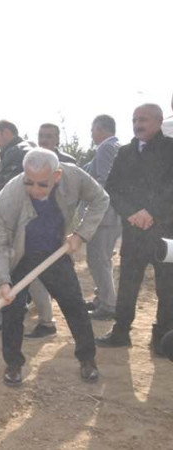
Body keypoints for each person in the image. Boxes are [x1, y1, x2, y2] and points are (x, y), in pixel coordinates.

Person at [0, 148, 107, 386]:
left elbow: (100, 199)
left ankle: (87, 359)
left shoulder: (74, 177)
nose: (34, 189)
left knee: (74, 304)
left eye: (42, 184)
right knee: (12, 309)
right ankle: (13, 364)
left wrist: (81, 234)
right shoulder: (8, 197)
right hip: (20, 254)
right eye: (29, 182)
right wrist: (3, 280)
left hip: (55, 252)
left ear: (57, 175)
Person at [96, 103, 173, 356]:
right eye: (134, 119)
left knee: (167, 287)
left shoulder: (171, 149)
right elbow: (113, 187)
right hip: (134, 231)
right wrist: (131, 213)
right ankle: (120, 333)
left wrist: (151, 212)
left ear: (159, 121)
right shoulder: (125, 152)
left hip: (165, 232)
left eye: (144, 119)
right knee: (128, 284)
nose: (138, 124)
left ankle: (162, 339)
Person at [0, 120, 56, 337]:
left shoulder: (16, 153)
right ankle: (43, 320)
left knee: (16, 270)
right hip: (28, 223)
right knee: (30, 273)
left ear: (6, 133)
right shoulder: (22, 151)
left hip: (19, 224)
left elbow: (7, 191)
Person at [82, 115, 121, 320]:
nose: (91, 133)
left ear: (101, 129)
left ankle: (108, 305)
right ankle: (103, 298)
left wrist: (88, 196)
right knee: (102, 259)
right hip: (110, 214)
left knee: (98, 259)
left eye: (92, 129)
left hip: (104, 215)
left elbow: (104, 181)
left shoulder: (107, 147)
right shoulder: (114, 146)